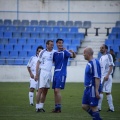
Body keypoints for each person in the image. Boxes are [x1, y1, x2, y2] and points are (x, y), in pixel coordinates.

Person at [52, 38, 76, 113]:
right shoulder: (55, 53)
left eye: (61, 43)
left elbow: (73, 56)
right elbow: (53, 61)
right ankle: (56, 107)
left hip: (62, 73)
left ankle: (59, 108)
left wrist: (73, 52)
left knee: (57, 90)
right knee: (55, 91)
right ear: (56, 44)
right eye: (59, 43)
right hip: (55, 73)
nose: (60, 44)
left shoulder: (65, 52)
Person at [82, 47, 102, 120]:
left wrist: (96, 90)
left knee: (94, 107)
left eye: (84, 53)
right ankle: (97, 118)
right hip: (87, 88)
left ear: (88, 53)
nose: (83, 54)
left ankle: (96, 118)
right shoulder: (89, 63)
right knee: (84, 105)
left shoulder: (95, 62)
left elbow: (97, 77)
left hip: (93, 88)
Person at [35, 40, 55, 112]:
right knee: (40, 89)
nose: (52, 46)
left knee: (45, 91)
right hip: (42, 72)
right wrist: (36, 74)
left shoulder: (54, 52)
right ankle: (37, 107)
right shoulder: (42, 52)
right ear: (47, 45)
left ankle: (41, 106)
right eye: (51, 44)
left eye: (53, 45)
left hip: (49, 73)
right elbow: (38, 63)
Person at [98, 44, 115, 112]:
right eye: (100, 48)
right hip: (102, 76)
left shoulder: (108, 56)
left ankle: (100, 108)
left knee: (103, 92)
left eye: (102, 48)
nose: (101, 49)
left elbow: (111, 66)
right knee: (105, 92)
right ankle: (110, 108)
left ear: (106, 49)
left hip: (106, 76)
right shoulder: (101, 57)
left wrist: (107, 75)